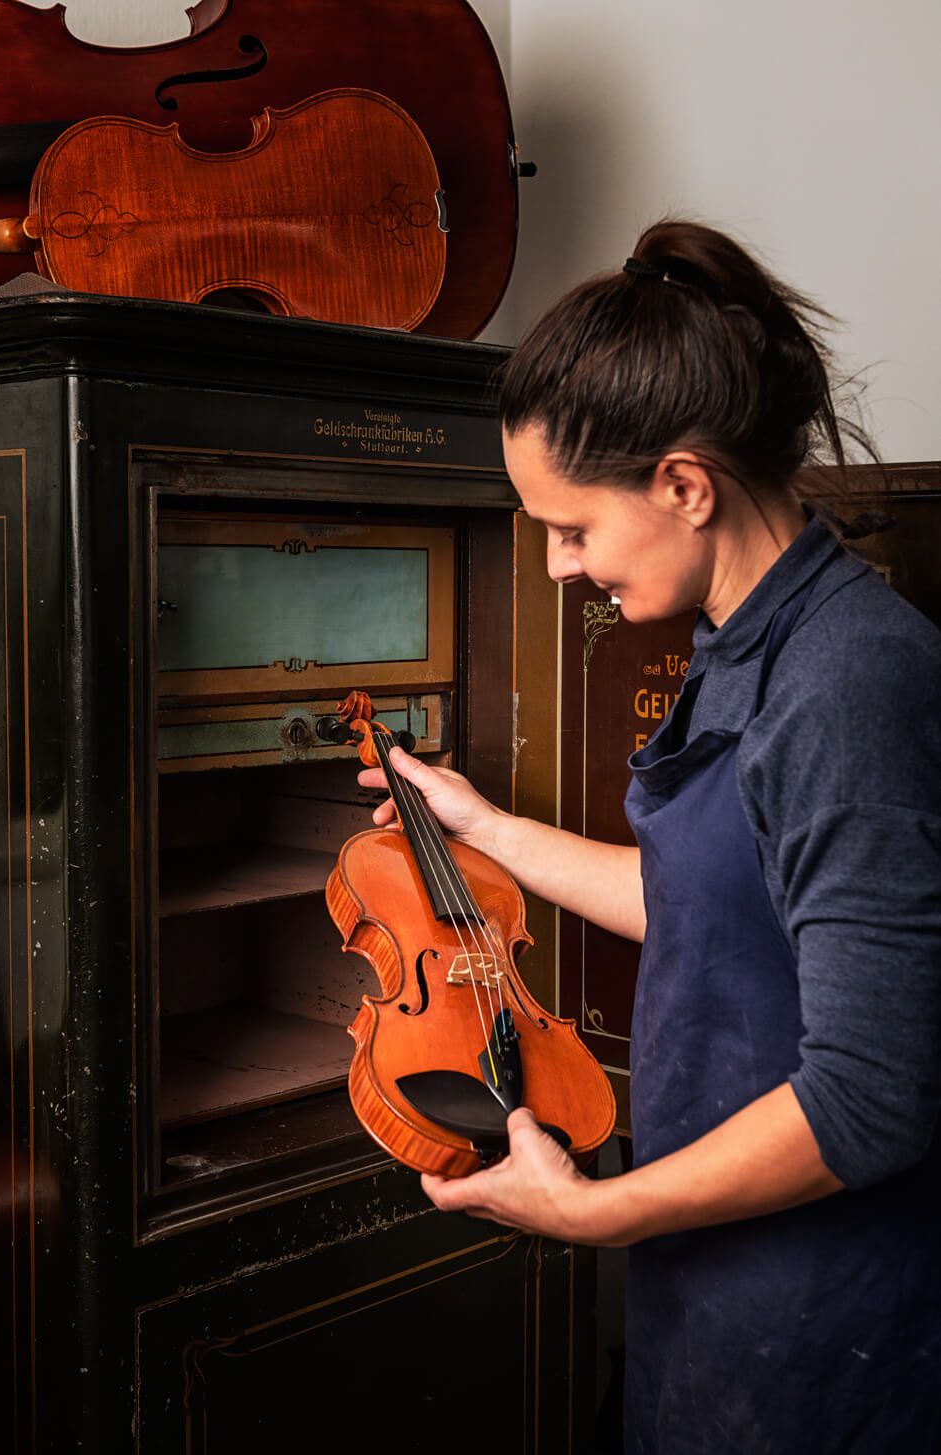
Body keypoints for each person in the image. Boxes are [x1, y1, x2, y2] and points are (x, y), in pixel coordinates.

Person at [358, 219, 941, 1453]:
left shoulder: (850, 682)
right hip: (715, 1279)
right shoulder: (745, 634)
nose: (557, 568)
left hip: (829, 1318)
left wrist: (594, 1214)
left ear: (683, 486)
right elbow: (716, 904)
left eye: (571, 529)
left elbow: (871, 1099)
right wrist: (486, 827)